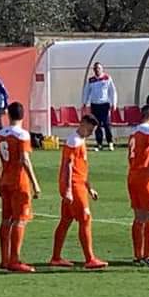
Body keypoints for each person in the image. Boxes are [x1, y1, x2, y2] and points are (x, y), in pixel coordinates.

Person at [48, 114, 107, 269]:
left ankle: (56, 257)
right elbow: (68, 165)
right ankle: (90, 259)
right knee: (85, 219)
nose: (91, 133)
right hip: (74, 186)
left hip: (78, 184)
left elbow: (81, 168)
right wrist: (68, 189)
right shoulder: (73, 141)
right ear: (83, 124)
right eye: (90, 129)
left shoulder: (80, 140)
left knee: (66, 220)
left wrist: (89, 187)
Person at [0, 102, 41, 273]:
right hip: (19, 182)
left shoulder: (0, 135)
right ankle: (15, 259)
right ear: (22, 115)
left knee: (6, 220)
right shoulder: (22, 135)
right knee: (20, 220)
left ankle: (4, 259)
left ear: (9, 115)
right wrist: (35, 183)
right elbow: (25, 159)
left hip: (5, 181)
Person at [128, 104, 149, 267]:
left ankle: (138, 255)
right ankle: (148, 255)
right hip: (144, 176)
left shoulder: (134, 132)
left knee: (139, 216)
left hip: (132, 175)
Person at [82, 61, 117, 151]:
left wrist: (114, 103)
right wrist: (84, 102)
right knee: (96, 125)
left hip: (104, 105)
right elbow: (86, 91)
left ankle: (110, 142)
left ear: (102, 69)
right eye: (95, 68)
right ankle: (99, 143)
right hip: (95, 105)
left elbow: (112, 91)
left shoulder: (107, 78)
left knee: (106, 124)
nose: (97, 70)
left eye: (99, 68)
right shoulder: (91, 80)